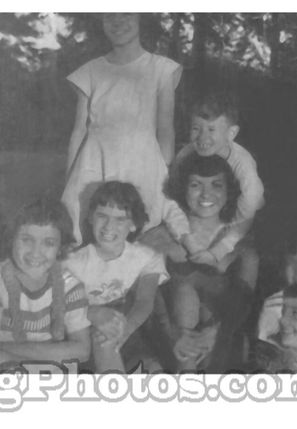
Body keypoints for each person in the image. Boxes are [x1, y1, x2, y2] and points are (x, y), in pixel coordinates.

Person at [62, 13, 183, 244]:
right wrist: (70, 177)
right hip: (95, 161)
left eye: (126, 14)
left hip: (142, 159)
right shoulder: (90, 71)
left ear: (141, 18)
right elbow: (79, 130)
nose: (118, 22)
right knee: (84, 226)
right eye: (109, 16)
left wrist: (165, 169)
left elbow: (165, 127)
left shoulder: (161, 68)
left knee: (139, 225)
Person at [157, 154, 251, 371]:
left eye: (216, 185)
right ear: (183, 189)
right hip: (168, 341)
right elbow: (147, 299)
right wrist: (175, 336)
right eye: (196, 185)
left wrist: (214, 334)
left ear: (229, 191)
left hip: (221, 343)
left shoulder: (240, 244)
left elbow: (246, 301)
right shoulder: (160, 238)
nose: (206, 194)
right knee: (183, 289)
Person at [65, 181, 168, 372]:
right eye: (102, 216)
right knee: (103, 338)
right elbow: (60, 306)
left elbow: (144, 302)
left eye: (120, 219)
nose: (109, 226)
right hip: (87, 331)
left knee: (152, 368)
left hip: (129, 329)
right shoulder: (73, 262)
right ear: (90, 217)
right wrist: (93, 313)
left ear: (133, 224)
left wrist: (123, 332)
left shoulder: (146, 257)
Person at [171, 91, 264, 284]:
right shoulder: (185, 155)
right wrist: (190, 241)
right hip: (198, 219)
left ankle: (240, 303)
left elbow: (246, 216)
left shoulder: (243, 166)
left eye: (211, 129)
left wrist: (218, 251)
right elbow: (173, 198)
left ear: (231, 133)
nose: (202, 137)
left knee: (245, 259)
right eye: (196, 128)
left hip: (238, 222)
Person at [0, 199, 91, 370]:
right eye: (26, 240)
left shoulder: (70, 286)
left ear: (61, 247)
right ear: (11, 239)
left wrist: (5, 347)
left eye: (48, 243)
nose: (35, 252)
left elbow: (82, 350)